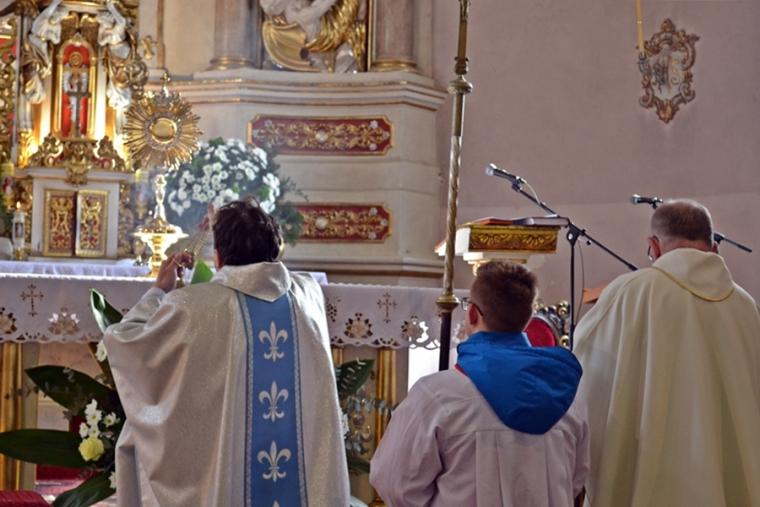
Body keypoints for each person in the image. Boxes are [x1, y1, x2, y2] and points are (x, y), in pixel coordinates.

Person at [104, 199, 349, 507]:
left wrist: (159, 292)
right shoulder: (308, 294)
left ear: (218, 257)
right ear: (275, 249)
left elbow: (125, 342)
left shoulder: (192, 306)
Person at [574, 199, 760, 507]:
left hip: (653, 465)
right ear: (714, 247)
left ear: (654, 245)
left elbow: (587, 364)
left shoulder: (630, 293)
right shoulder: (745, 305)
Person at [370, 262, 589, 507]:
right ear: (526, 320)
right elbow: (575, 480)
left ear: (473, 313)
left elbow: (394, 483)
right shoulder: (567, 397)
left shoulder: (436, 395)